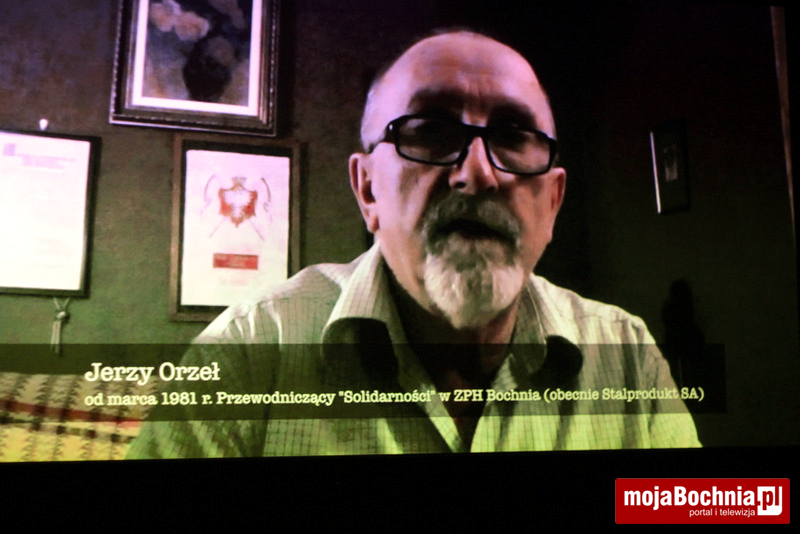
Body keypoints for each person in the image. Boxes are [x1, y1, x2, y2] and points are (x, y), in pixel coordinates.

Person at [128, 30, 700, 457]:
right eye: (430, 131)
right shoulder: (249, 351)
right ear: (367, 189)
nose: (477, 174)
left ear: (552, 202)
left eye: (512, 135)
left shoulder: (626, 357)